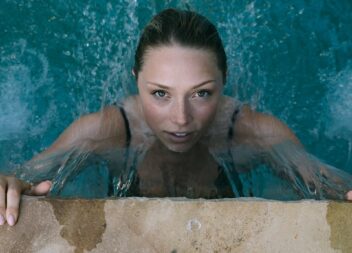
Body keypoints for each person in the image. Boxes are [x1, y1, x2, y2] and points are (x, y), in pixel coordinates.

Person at [1, 8, 351, 227]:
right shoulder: (105, 131)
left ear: (224, 82)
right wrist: (8, 184)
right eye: (160, 94)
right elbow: (23, 178)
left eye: (201, 93)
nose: (181, 118)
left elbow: (323, 181)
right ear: (135, 79)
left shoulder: (252, 132)